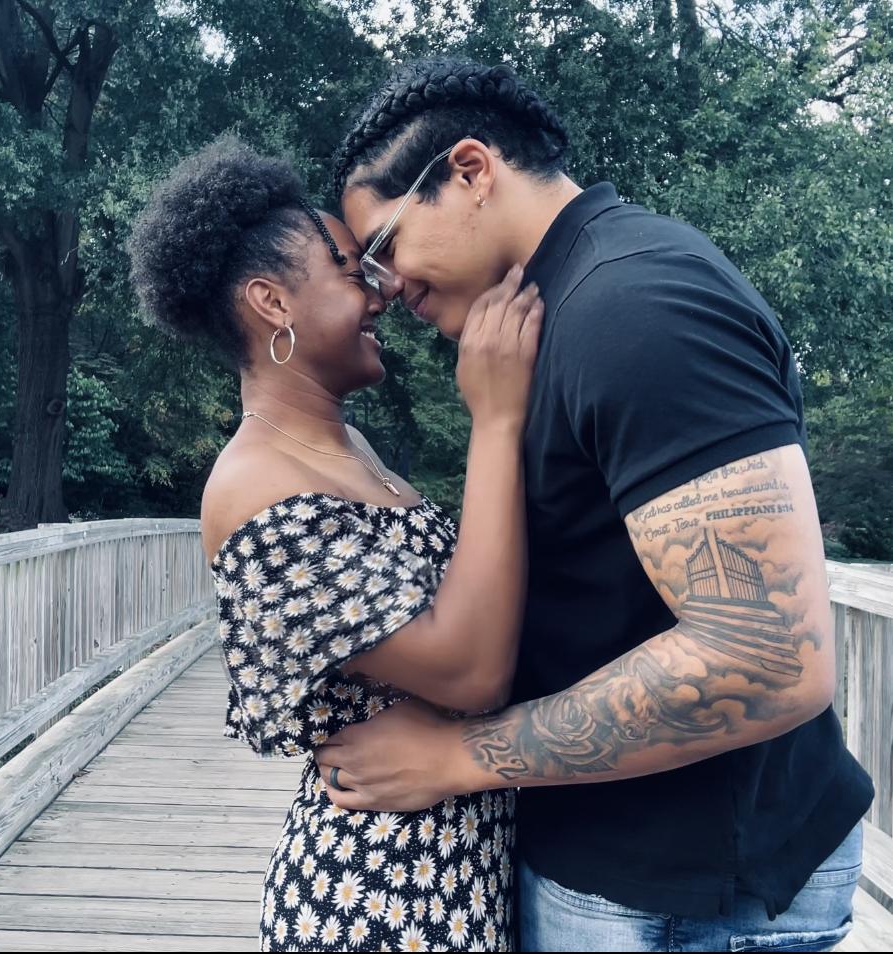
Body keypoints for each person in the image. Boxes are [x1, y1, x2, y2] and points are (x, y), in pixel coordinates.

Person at [314, 58, 876, 952]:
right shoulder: (564, 306)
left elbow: (769, 656)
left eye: (384, 245)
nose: (384, 287)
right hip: (631, 873)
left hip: (686, 899)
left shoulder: (637, 308)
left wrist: (459, 759)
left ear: (470, 170)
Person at [127, 133, 544, 951]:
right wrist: (495, 420)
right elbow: (469, 670)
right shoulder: (253, 485)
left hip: (449, 879)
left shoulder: (349, 450)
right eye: (352, 271)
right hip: (379, 901)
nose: (382, 289)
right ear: (272, 302)